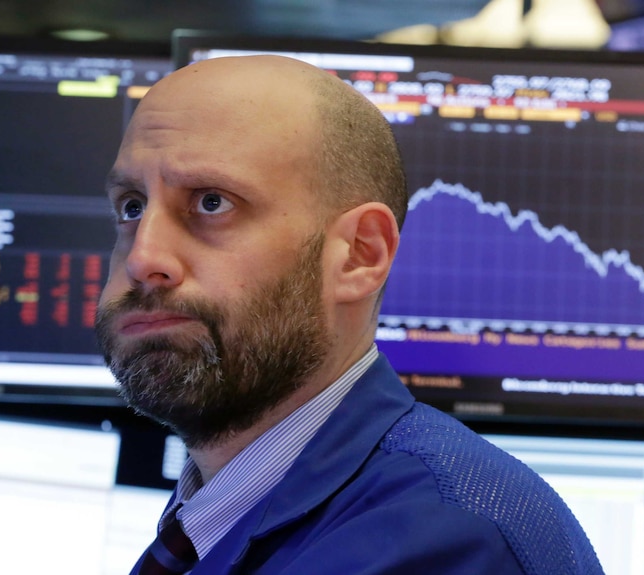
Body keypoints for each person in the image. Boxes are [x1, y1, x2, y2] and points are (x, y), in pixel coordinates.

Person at [95, 54, 604, 575]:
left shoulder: (442, 545)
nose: (142, 259)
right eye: (132, 207)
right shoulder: (224, 510)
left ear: (360, 255)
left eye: (210, 203)